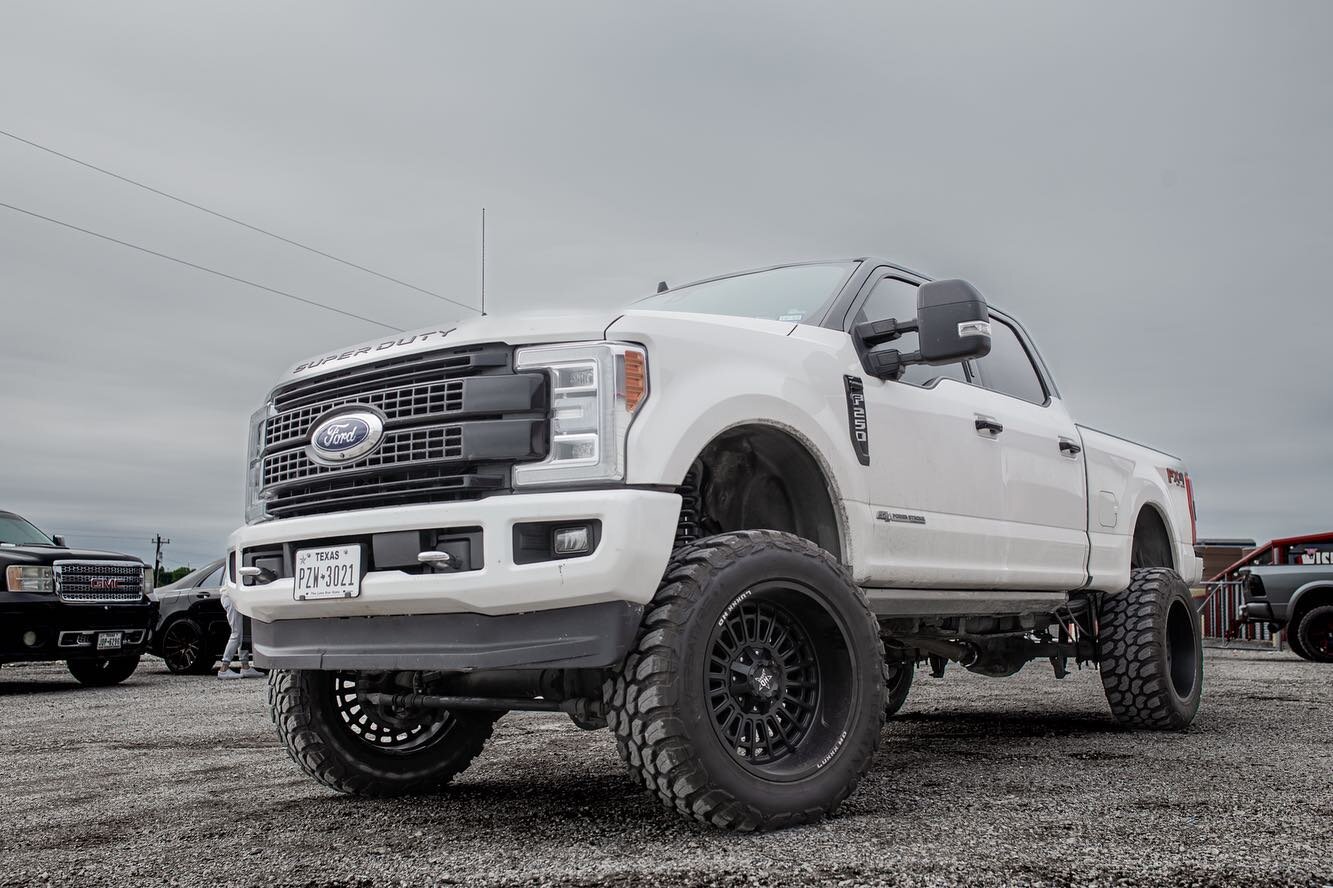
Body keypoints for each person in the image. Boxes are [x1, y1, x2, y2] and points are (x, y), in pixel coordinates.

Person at [219, 587, 262, 679]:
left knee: (245, 633)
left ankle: (245, 666)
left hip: (240, 597)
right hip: (232, 597)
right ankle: (224, 669)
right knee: (236, 633)